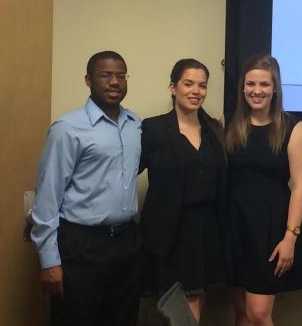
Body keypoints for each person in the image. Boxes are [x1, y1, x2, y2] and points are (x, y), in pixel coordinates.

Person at [31, 51, 143, 326]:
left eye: (121, 76)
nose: (115, 82)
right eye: (106, 75)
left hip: (126, 244)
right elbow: (47, 196)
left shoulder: (135, 125)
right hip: (81, 245)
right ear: (88, 80)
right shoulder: (67, 128)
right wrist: (49, 261)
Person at [139, 58, 227, 322]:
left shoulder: (214, 129)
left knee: (195, 305)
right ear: (173, 87)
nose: (195, 91)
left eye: (202, 85)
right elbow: (125, 172)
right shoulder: (153, 129)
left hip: (205, 231)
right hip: (168, 234)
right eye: (188, 84)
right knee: (177, 311)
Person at [225, 55, 302, 326]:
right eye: (251, 84)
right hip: (234, 228)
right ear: (243, 88)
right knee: (241, 312)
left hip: (271, 231)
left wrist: (290, 238)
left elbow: (300, 186)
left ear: (275, 89)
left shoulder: (292, 128)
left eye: (264, 84)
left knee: (259, 314)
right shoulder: (228, 123)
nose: (257, 90)